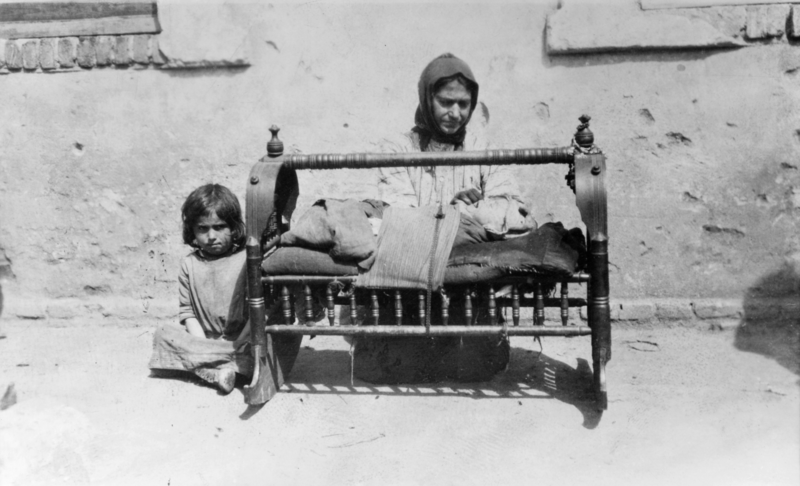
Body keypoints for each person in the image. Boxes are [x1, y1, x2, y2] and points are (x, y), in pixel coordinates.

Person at [352, 53, 517, 383]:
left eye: (464, 104)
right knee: (395, 368)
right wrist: (458, 214)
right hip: (408, 286)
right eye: (445, 102)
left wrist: (467, 213)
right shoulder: (397, 149)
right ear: (427, 98)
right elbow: (399, 223)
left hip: (465, 286)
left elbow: (512, 211)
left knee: (477, 366)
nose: (455, 114)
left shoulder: (486, 149)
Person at [148, 184, 252, 394]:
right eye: (202, 229)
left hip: (241, 339)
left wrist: (239, 341)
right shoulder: (190, 264)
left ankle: (206, 367)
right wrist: (203, 345)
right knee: (163, 334)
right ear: (193, 231)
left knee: (266, 341)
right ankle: (219, 371)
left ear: (233, 227)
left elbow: (259, 309)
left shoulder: (246, 259)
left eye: (219, 227)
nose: (211, 236)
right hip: (204, 339)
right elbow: (188, 311)